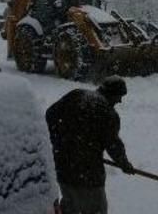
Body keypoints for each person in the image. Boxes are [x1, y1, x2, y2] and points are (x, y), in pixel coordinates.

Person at [45, 76, 135, 214]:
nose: (120, 101)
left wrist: (60, 142)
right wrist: (124, 164)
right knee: (96, 209)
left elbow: (50, 115)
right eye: (119, 97)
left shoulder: (76, 94)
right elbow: (113, 144)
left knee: (70, 206)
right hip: (88, 174)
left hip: (63, 166)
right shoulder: (108, 114)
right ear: (112, 94)